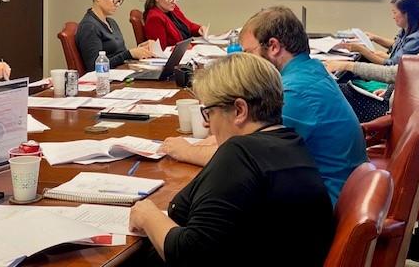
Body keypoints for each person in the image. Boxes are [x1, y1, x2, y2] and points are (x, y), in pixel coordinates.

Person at [129, 53, 333, 267]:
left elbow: (190, 254)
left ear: (239, 110)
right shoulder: (292, 143)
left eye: (209, 112)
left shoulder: (240, 153)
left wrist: (148, 215)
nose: (207, 125)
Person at [160, 6, 366, 204]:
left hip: (324, 208)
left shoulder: (292, 92)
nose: (245, 61)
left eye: (248, 52)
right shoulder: (310, 71)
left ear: (274, 47)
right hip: (334, 191)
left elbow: (246, 160)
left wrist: (186, 151)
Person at [325, 0, 419, 122]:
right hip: (405, 106)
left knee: (337, 89)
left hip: (397, 115)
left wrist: (346, 65)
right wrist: (390, 92)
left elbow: (391, 74)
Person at [76, 0, 153, 72]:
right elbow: (94, 68)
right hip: (106, 81)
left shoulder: (111, 22)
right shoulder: (89, 26)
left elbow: (120, 54)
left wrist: (139, 50)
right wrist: (130, 54)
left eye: (120, 0)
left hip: (121, 74)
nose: (117, 4)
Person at [340, 0, 419, 66]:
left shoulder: (417, 38)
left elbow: (391, 66)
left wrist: (362, 50)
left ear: (406, 14)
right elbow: (396, 46)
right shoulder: (406, 30)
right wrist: (375, 38)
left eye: (395, 12)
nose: (393, 17)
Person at [143, 0, 207, 48]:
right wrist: (185, 48)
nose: (174, 2)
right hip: (177, 55)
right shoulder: (154, 18)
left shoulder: (173, 9)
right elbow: (161, 50)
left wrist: (199, 29)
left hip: (188, 51)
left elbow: (187, 25)